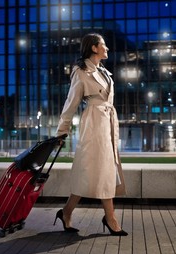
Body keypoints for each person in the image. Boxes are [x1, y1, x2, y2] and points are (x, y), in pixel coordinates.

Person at [53, 33, 127, 236]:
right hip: (93, 124)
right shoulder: (81, 72)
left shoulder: (103, 71)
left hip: (107, 124)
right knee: (96, 170)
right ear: (94, 48)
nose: (107, 49)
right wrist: (62, 132)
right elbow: (71, 103)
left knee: (98, 170)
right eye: (104, 45)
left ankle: (67, 212)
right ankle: (110, 218)